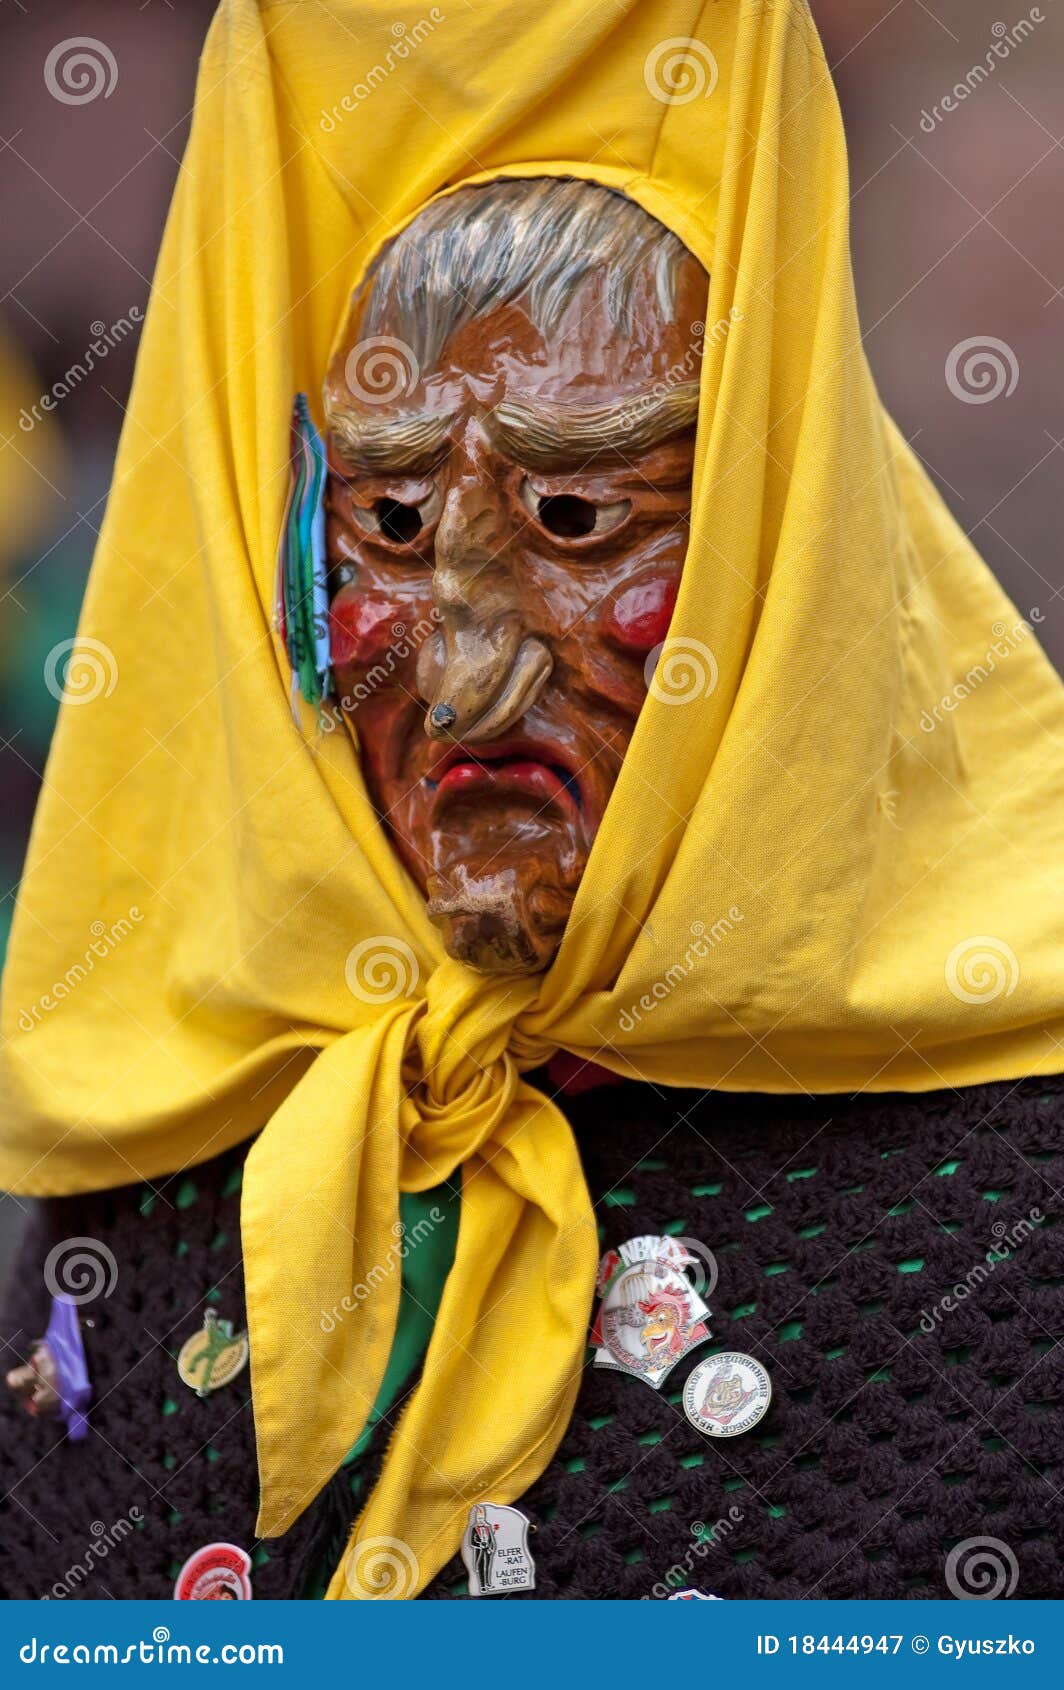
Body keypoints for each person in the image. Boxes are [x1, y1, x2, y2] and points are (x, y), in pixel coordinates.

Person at [1, 0, 1062, 1604]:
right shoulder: (176, 1170)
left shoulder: (1007, 1196)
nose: (474, 665)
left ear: (777, 559)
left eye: (579, 515)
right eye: (397, 517)